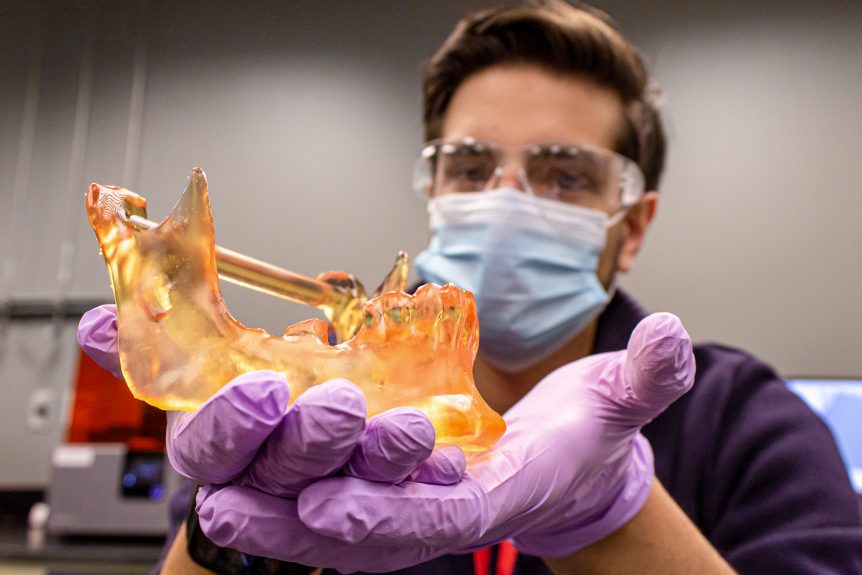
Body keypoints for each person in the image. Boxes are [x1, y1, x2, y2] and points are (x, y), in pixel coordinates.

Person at [77, 1, 862, 573]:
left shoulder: (746, 424)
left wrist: (606, 515)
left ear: (635, 221)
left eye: (565, 175)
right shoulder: (320, 420)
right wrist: (239, 533)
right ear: (435, 190)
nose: (507, 199)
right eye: (471, 168)